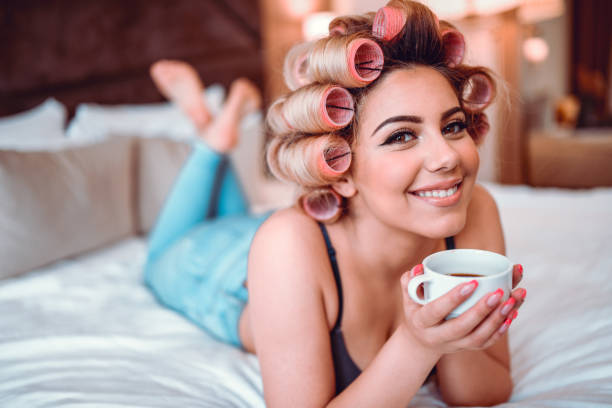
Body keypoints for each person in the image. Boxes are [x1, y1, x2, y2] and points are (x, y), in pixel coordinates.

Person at [144, 1, 527, 406]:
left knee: (238, 215)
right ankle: (209, 142)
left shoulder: (474, 209)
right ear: (339, 169)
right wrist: (416, 345)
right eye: (401, 136)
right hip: (219, 269)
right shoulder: (285, 244)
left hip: (284, 247)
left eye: (453, 126)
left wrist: (452, 330)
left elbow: (482, 393)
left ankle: (210, 127)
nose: (447, 157)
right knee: (158, 256)